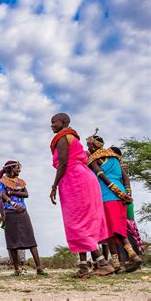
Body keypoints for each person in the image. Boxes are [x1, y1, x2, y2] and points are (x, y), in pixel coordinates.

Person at [49, 113, 114, 278]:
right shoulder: (74, 138)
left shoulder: (63, 137)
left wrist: (54, 186)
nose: (51, 125)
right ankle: (83, 267)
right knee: (81, 220)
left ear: (63, 122)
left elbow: (63, 163)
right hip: (83, 178)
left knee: (77, 221)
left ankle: (103, 263)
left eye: (53, 122)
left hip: (74, 179)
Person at [86, 134, 142, 273]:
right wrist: (127, 194)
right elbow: (126, 178)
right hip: (121, 197)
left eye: (88, 145)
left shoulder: (94, 159)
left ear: (94, 146)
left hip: (106, 196)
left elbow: (101, 176)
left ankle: (130, 258)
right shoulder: (114, 158)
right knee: (119, 226)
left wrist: (116, 191)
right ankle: (120, 262)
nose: (88, 148)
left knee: (110, 229)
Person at [0, 161, 46, 276]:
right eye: (17, 168)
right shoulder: (3, 181)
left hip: (23, 211)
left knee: (30, 237)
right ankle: (16, 269)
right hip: (10, 211)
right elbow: (2, 195)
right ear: (10, 169)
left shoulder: (20, 182)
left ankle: (39, 267)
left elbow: (26, 194)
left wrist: (12, 192)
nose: (19, 170)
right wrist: (13, 203)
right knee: (12, 240)